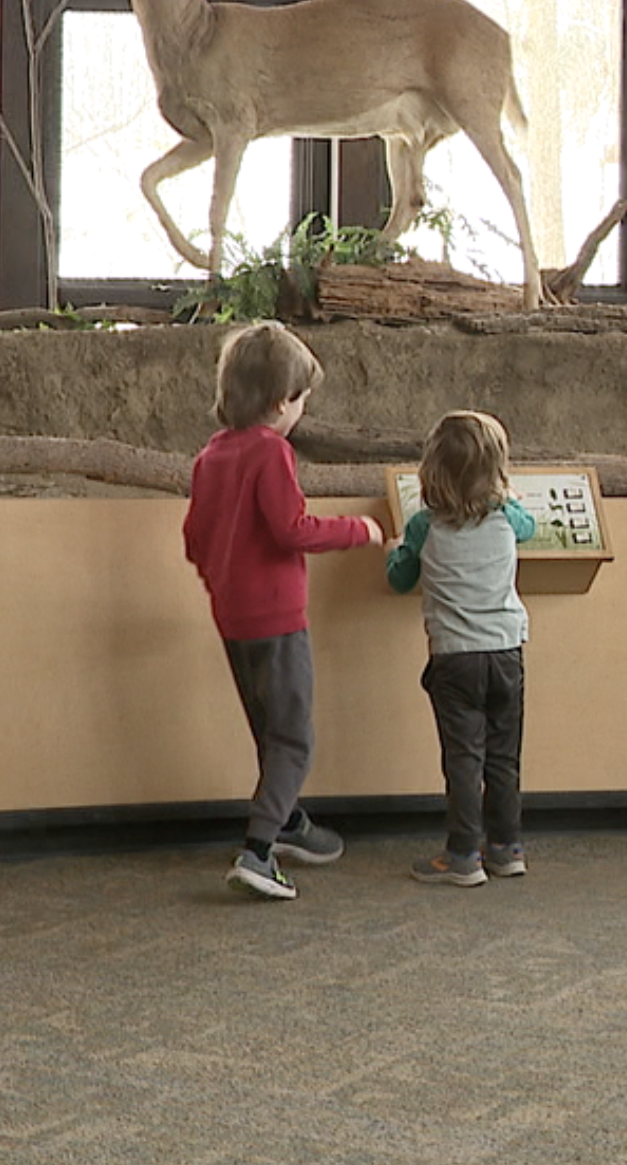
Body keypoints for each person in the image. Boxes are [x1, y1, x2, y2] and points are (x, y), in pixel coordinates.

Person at [182, 321, 385, 900]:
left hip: (232, 615)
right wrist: (360, 530)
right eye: (300, 399)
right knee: (293, 737)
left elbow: (194, 537)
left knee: (268, 729)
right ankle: (259, 849)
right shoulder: (272, 452)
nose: (302, 410)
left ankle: (289, 821)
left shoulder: (211, 456)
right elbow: (292, 529)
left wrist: (218, 578)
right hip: (276, 616)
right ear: (279, 403)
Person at [385, 410, 534, 888]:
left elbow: (399, 578)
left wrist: (392, 550)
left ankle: (463, 854)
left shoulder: (425, 526)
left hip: (454, 658)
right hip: (507, 651)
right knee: (504, 757)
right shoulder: (507, 516)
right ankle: (507, 847)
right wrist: (507, 497)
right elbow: (528, 526)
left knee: (463, 759)